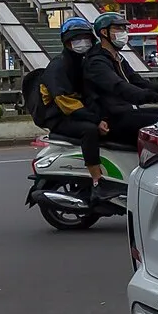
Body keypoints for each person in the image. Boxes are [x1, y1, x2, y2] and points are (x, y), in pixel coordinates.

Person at [36, 17, 111, 201]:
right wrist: (95, 120)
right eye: (76, 39)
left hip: (80, 112)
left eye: (86, 38)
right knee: (89, 131)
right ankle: (97, 180)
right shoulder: (58, 67)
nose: (82, 42)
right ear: (67, 42)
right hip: (60, 117)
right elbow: (66, 103)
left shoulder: (85, 63)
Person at [83, 12, 158, 147]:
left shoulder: (118, 57)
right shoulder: (96, 63)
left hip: (127, 111)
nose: (123, 32)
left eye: (124, 29)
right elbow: (120, 87)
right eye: (118, 28)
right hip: (112, 118)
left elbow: (138, 81)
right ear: (104, 32)